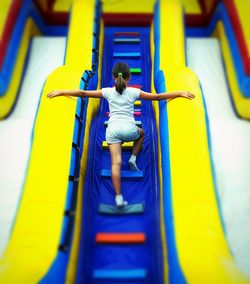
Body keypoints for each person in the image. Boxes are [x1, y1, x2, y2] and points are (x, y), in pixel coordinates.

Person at [47, 62, 195, 207]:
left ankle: (118, 197)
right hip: (130, 131)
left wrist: (61, 91)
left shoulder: (107, 92)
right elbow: (157, 97)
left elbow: (83, 93)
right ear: (129, 78)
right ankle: (133, 158)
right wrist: (180, 93)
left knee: (115, 163)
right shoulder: (134, 92)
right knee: (142, 133)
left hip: (112, 132)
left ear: (113, 77)